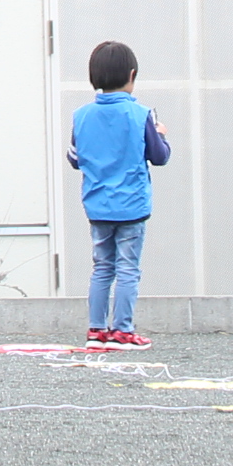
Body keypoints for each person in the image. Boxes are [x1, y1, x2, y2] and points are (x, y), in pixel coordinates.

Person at [67, 38, 172, 348]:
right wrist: (162, 136)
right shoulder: (141, 115)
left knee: (102, 267)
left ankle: (96, 331)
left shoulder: (81, 116)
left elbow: (74, 159)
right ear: (132, 74)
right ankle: (123, 331)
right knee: (128, 268)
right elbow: (159, 156)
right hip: (132, 205)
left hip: (97, 205)